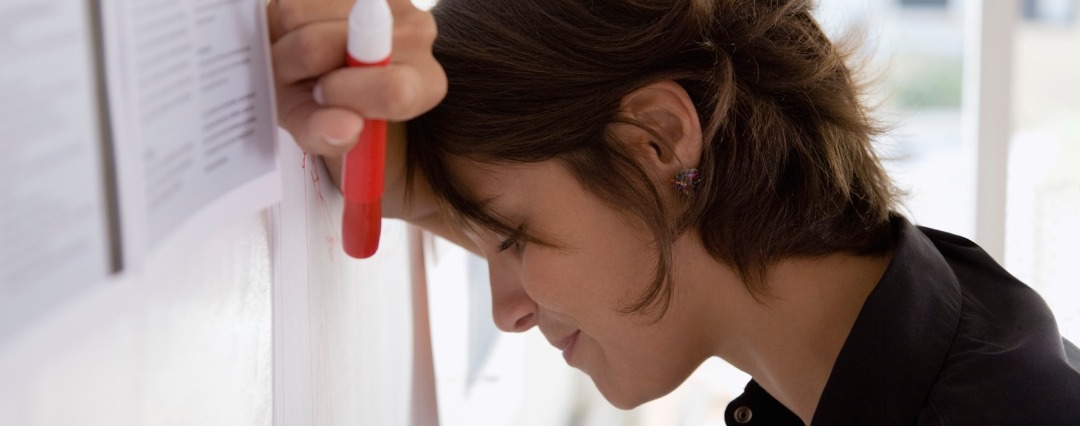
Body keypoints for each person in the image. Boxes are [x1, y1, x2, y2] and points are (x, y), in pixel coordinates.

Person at [268, 0, 1080, 423]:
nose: (507, 312)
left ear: (657, 141)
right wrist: (400, 182)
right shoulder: (932, 338)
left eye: (511, 237)